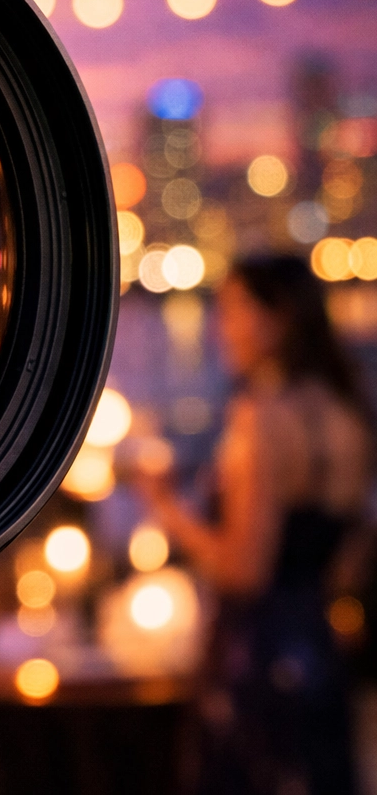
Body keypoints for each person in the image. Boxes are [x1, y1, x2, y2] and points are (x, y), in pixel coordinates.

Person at [139, 255, 372, 795]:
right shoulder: (346, 411)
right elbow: (347, 552)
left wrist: (164, 505)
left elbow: (245, 570)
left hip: (255, 663)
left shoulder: (261, 418)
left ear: (278, 317)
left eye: (233, 309)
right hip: (319, 656)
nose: (221, 328)